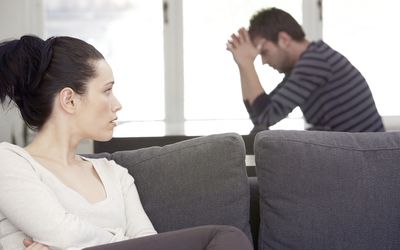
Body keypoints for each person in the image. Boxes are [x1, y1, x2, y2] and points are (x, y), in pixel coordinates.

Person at [0, 35, 253, 250]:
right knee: (224, 239)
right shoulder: (10, 162)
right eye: (106, 91)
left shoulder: (115, 174)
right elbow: (63, 232)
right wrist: (119, 239)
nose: (117, 104)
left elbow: (149, 244)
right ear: (70, 100)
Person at [226, 7, 385, 132]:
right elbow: (258, 116)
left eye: (264, 52)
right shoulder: (307, 62)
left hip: (365, 160)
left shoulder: (314, 63)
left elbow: (267, 116)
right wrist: (242, 65)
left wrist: (247, 63)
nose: (264, 62)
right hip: (353, 153)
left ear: (284, 39)